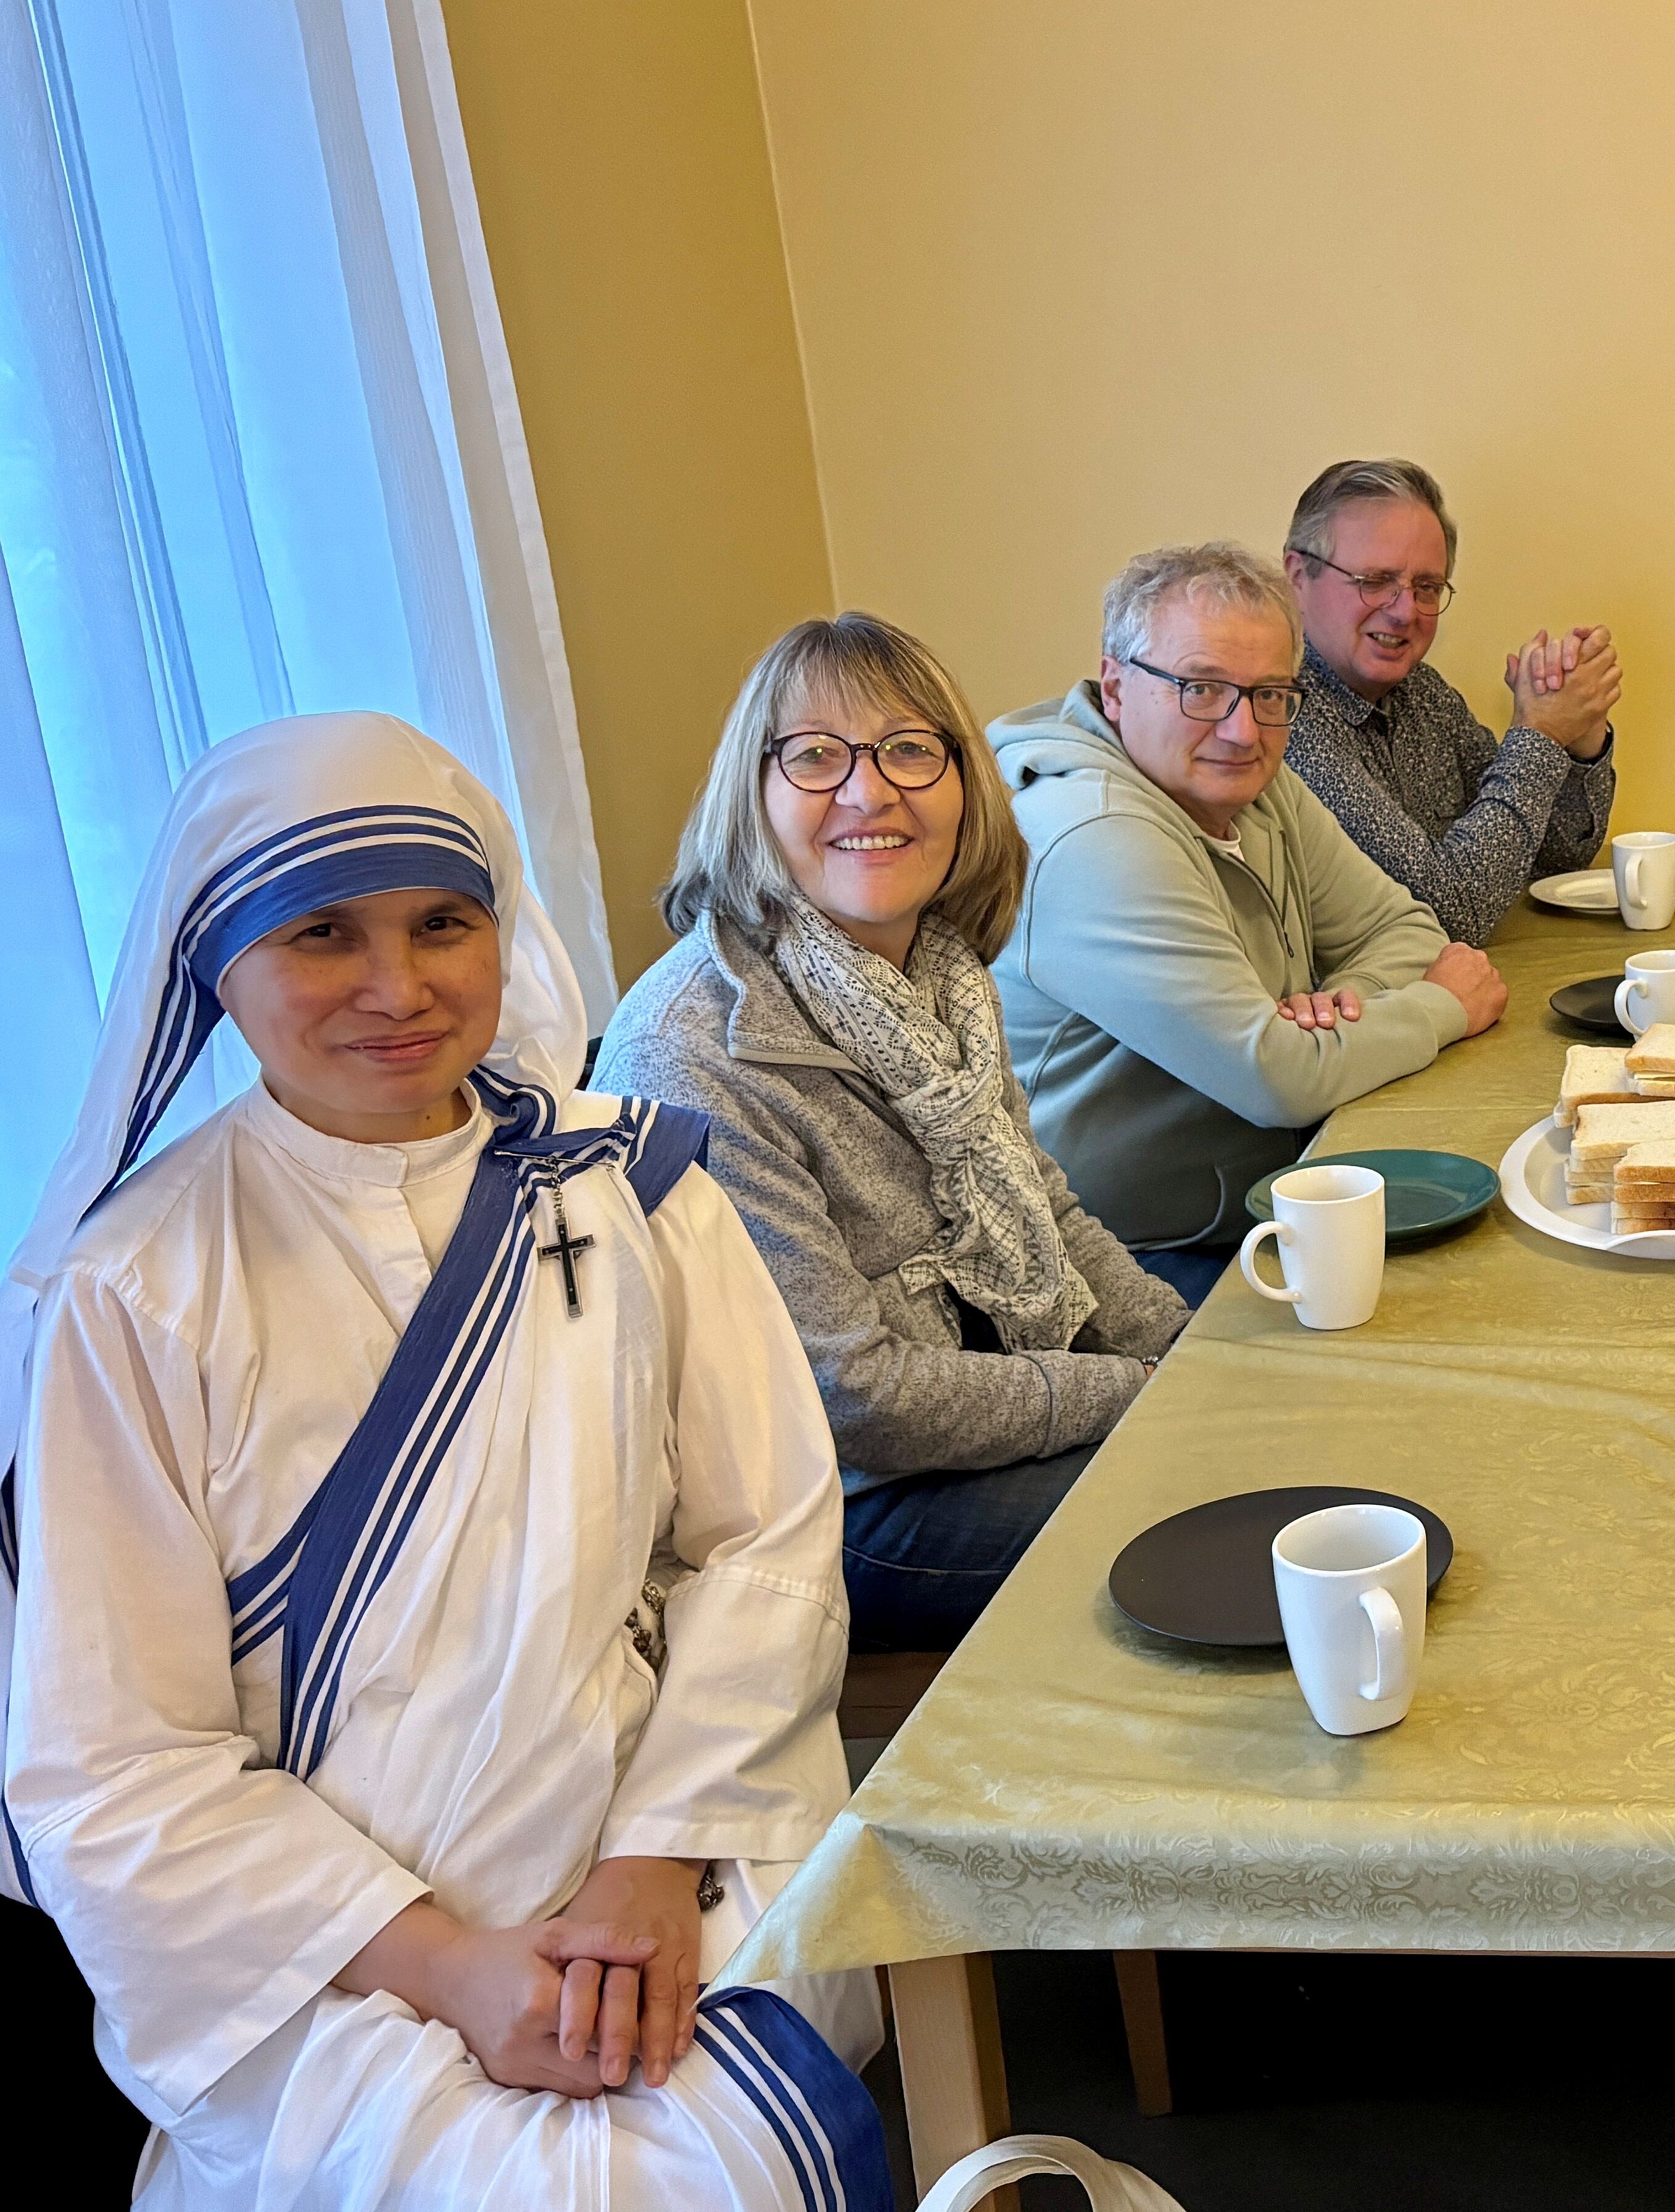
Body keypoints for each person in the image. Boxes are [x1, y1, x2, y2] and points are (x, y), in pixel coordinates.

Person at [2, 714, 884, 2208]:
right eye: (323, 934)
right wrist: (451, 1966)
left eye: (441, 924)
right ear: (218, 962)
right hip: (330, 1964)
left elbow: (766, 1538)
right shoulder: (134, 1291)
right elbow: (121, 1762)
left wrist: (653, 1866)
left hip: (658, 1852)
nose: (398, 987)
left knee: (719, 2154)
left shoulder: (636, 1187)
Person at [596, 614, 1188, 1654]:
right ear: (753, 794)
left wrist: (1187, 1352)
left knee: (1256, 1421)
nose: (869, 793)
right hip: (823, 1507)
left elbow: (1044, 1207)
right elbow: (851, 1397)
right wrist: (1133, 1391)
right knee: (1192, 1499)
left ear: (963, 784)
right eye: (814, 756)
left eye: (910, 750)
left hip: (965, 1403)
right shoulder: (693, 1048)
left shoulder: (938, 972)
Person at [991, 542, 1508, 1296]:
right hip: (1121, 1261)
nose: (1241, 729)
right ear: (1116, 686)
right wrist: (1442, 1006)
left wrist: (1336, 1010)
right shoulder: (1091, 837)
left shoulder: (1254, 784)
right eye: (1201, 688)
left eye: (1269, 694)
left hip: (1270, 1194)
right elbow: (1278, 1079)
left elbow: (1404, 929)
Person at [1282, 457, 1621, 945]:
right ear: (1298, 576)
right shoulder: (1279, 714)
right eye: (1374, 581)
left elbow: (1551, 858)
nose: (1405, 611)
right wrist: (1541, 734)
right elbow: (1445, 916)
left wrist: (1579, 734)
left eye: (1427, 588)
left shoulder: (1423, 691)